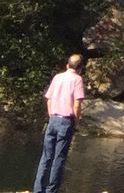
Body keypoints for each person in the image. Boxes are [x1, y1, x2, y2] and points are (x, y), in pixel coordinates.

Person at [32, 51, 86, 193]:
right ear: (80, 68)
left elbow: (49, 99)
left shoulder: (57, 77)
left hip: (53, 119)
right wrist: (76, 122)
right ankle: (51, 190)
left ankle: (38, 189)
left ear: (67, 65)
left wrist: (51, 117)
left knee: (46, 157)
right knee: (59, 158)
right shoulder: (77, 79)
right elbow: (77, 104)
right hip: (66, 121)